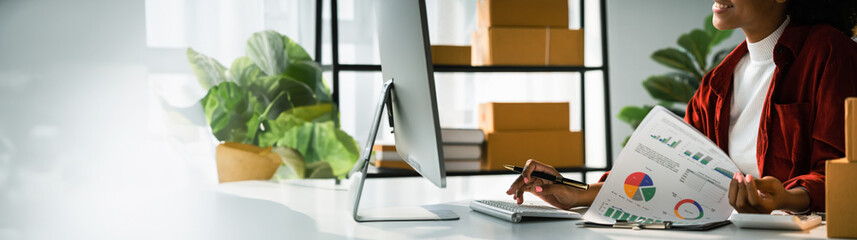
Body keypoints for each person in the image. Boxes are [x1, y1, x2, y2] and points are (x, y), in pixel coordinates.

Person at [506, 0, 857, 214]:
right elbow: (673, 171)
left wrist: (781, 200)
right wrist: (579, 193)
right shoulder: (716, 83)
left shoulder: (830, 52)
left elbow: (841, 176)